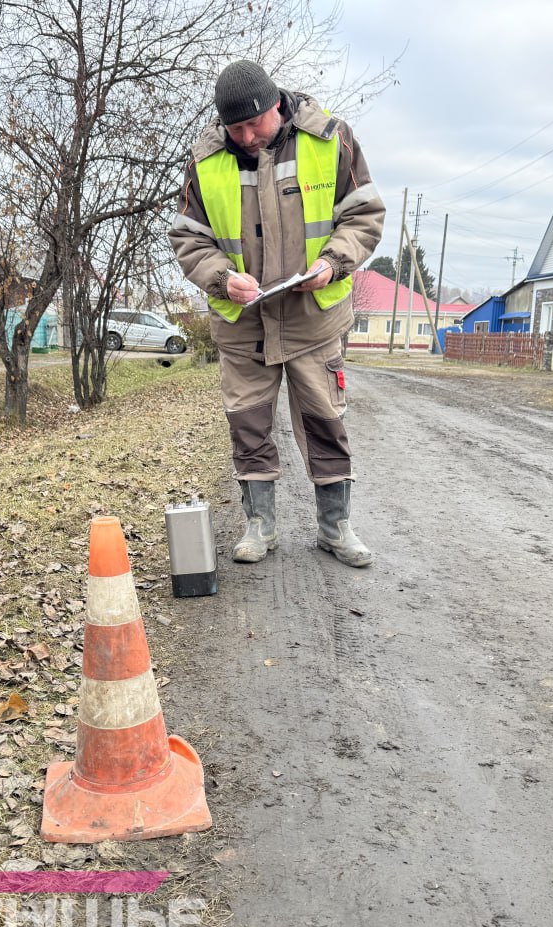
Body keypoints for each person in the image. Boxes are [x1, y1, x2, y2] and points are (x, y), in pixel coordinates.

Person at [169, 61, 385, 568]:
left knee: (325, 422)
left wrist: (333, 262)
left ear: (277, 107)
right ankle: (259, 526)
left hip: (314, 319)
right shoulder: (204, 160)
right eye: (235, 128)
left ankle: (335, 528)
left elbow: (363, 215)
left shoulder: (330, 140)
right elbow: (189, 238)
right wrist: (223, 278)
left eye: (254, 124)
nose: (246, 137)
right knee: (247, 425)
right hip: (243, 324)